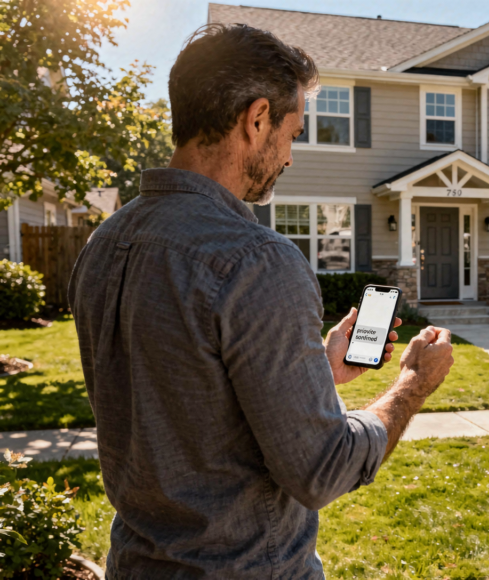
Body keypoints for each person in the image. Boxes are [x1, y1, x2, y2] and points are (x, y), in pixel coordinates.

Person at [69, 23, 455, 579]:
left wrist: (316, 371)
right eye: (293, 133)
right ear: (256, 120)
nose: (291, 157)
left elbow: (182, 403)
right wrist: (413, 383)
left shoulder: (105, 244)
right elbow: (321, 469)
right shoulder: (256, 261)